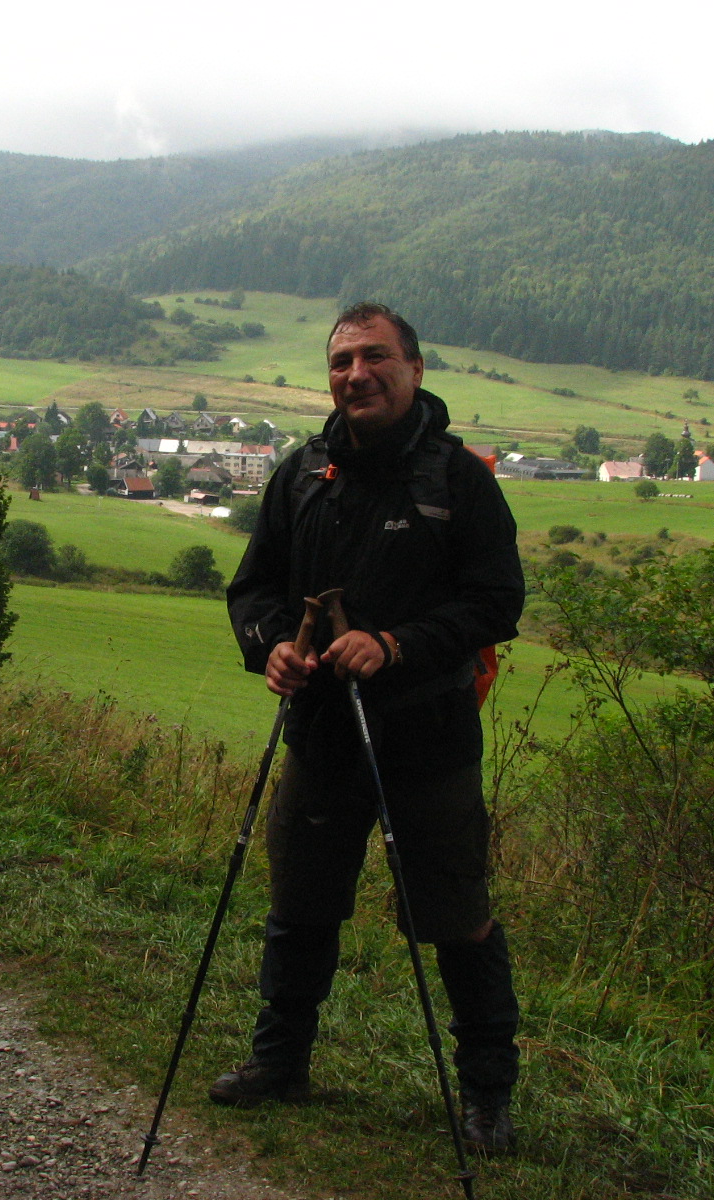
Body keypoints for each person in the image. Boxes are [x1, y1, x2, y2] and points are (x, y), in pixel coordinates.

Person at [219, 302, 526, 1153]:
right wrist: (272, 647)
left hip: (428, 737)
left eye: (375, 357)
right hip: (321, 731)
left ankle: (487, 1097)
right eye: (342, 361)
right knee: (300, 903)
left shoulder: (458, 479)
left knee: (457, 918)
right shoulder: (300, 474)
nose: (357, 374)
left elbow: (498, 601)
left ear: (415, 369)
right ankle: (280, 1063)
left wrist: (395, 645)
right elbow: (254, 588)